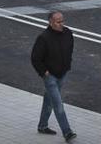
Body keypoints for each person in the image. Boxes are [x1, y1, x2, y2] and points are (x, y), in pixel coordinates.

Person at [31, 11, 76, 142]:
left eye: (62, 20)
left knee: (49, 100)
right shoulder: (44, 38)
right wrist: (44, 72)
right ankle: (67, 132)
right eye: (58, 22)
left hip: (62, 73)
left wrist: (67, 64)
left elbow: (70, 48)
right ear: (50, 22)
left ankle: (42, 126)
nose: (61, 24)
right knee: (57, 103)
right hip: (50, 76)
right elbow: (35, 58)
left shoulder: (68, 33)